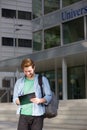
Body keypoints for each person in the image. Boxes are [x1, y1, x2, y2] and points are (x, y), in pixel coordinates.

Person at [13, 58, 52, 130]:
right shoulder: (19, 82)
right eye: (25, 71)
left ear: (34, 67)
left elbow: (49, 96)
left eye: (29, 71)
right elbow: (15, 98)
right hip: (23, 115)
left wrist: (40, 100)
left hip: (38, 115)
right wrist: (19, 101)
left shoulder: (42, 79)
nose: (28, 73)